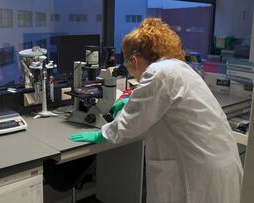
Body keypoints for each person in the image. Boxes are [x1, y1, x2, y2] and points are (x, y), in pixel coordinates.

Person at [70, 18, 243, 203]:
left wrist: (102, 134)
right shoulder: (179, 68)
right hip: (220, 164)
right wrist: (130, 100)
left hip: (196, 175)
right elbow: (164, 102)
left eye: (127, 65)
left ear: (134, 61)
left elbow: (129, 125)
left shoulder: (158, 73)